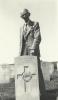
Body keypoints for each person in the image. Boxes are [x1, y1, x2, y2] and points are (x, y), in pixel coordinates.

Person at [20, 9, 45, 95]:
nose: (24, 17)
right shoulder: (21, 28)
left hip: (33, 52)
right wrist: (20, 54)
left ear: (28, 15)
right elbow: (21, 42)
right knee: (26, 74)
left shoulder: (35, 24)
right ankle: (29, 93)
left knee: (37, 72)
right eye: (22, 15)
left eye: (25, 15)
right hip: (24, 53)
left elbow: (37, 38)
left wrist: (33, 49)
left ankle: (42, 93)